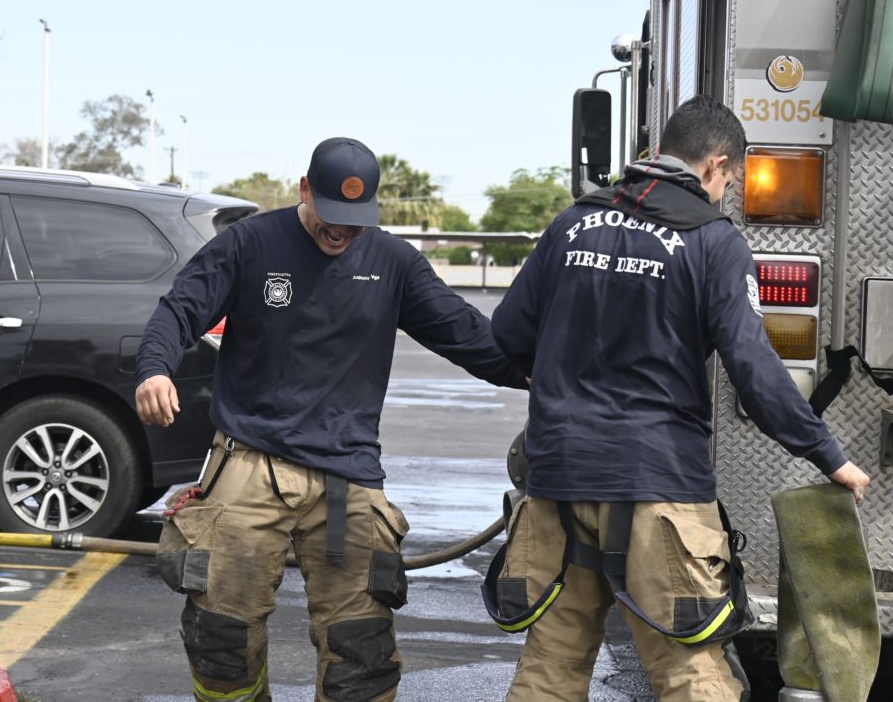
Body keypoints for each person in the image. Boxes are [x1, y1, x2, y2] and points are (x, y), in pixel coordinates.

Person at [487, 95, 870, 702]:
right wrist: (829, 456)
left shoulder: (573, 222)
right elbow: (753, 368)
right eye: (731, 181)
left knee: (550, 667)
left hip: (559, 480)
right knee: (689, 670)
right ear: (715, 165)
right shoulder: (714, 242)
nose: (727, 193)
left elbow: (508, 333)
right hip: (657, 487)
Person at [135, 136, 527, 702]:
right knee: (221, 636)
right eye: (331, 214)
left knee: (361, 653)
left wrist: (546, 377)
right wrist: (155, 370)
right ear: (304, 190)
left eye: (355, 218)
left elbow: (469, 336)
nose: (341, 230)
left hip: (347, 474)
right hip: (251, 459)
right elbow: (179, 310)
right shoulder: (249, 244)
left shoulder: (394, 262)